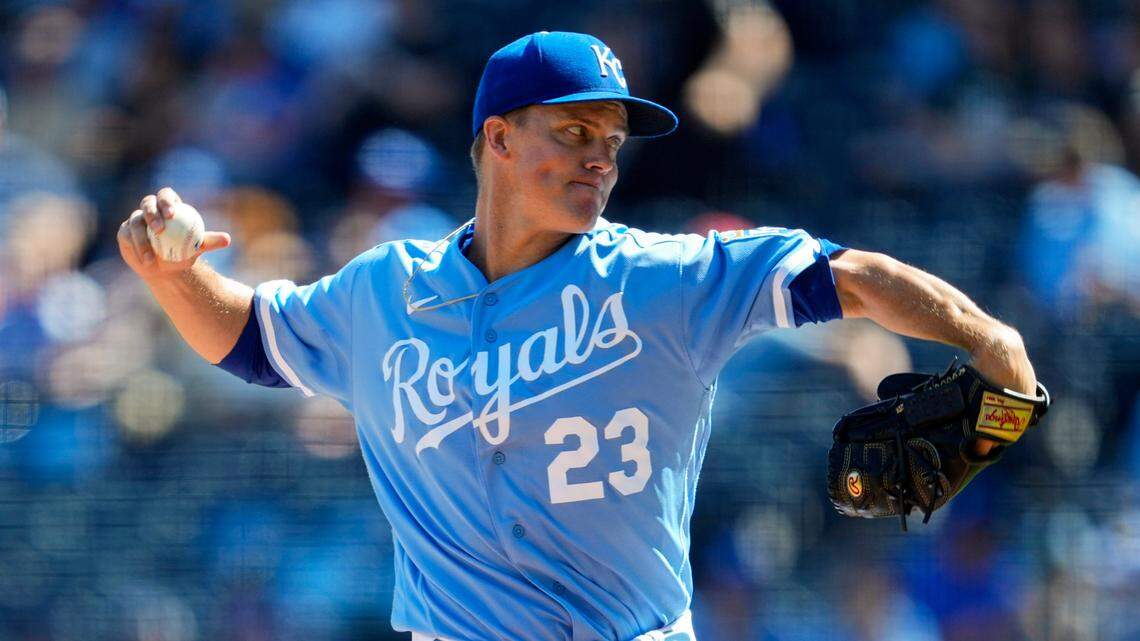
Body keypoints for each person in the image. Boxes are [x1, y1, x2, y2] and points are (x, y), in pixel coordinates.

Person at [117, 31, 1037, 641]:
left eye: (612, 135)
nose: (601, 153)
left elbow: (856, 279)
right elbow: (249, 340)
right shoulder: (385, 290)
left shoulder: (661, 278)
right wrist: (173, 276)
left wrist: (990, 338)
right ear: (500, 140)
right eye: (575, 129)